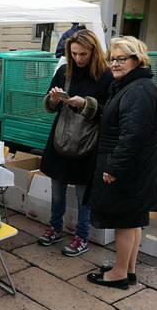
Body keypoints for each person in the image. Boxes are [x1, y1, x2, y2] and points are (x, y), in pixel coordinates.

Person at [87, 36, 157, 289]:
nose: (114, 64)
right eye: (112, 59)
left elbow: (132, 135)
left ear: (136, 59)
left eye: (121, 59)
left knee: (124, 222)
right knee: (133, 220)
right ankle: (128, 269)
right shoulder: (131, 85)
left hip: (129, 168)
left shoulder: (138, 89)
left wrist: (114, 168)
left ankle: (118, 275)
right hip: (136, 167)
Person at [37, 29, 112, 256]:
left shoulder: (106, 77)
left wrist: (85, 104)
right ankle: (55, 227)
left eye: (83, 54)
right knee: (57, 190)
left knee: (83, 195)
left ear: (94, 52)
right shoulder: (63, 71)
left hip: (87, 144)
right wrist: (52, 99)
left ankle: (82, 236)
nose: (78, 59)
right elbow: (50, 108)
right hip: (61, 139)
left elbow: (108, 113)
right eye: (75, 54)